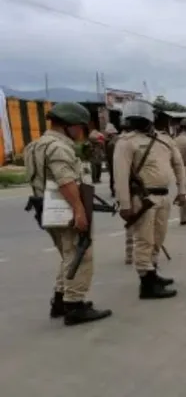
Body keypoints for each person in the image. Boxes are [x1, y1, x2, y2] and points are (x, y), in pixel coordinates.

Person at [23, 102, 113, 325]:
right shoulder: (58, 147)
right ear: (69, 125)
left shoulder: (34, 146)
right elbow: (65, 181)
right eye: (80, 127)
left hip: (45, 208)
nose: (81, 132)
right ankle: (74, 306)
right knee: (81, 255)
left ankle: (60, 301)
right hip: (64, 209)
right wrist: (79, 210)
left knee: (68, 255)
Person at [113, 100, 186, 300]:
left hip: (163, 196)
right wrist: (125, 204)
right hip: (143, 198)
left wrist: (182, 191)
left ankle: (153, 271)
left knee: (158, 238)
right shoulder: (126, 142)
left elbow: (178, 165)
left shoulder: (164, 140)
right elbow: (120, 176)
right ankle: (146, 283)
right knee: (144, 240)